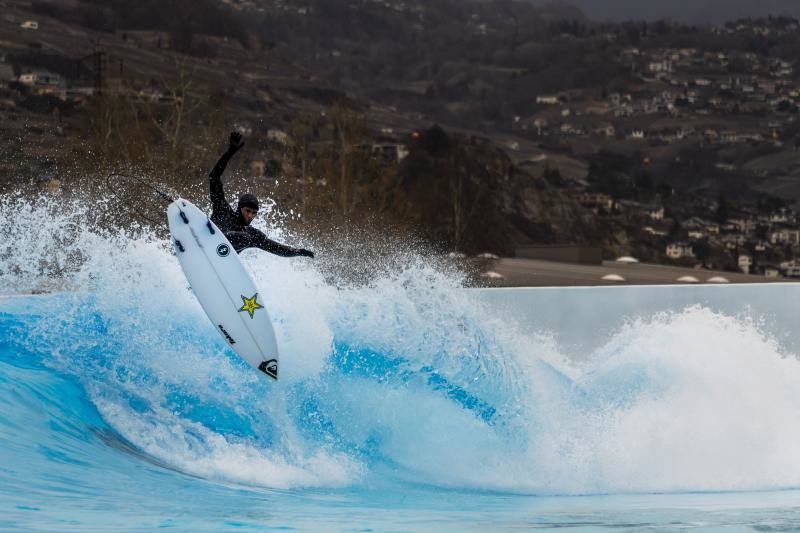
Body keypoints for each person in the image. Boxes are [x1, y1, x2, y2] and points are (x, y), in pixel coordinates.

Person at [208, 132, 314, 258]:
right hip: (208, 244)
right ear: (240, 208)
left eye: (253, 213)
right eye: (247, 211)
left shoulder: (252, 235)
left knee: (247, 237)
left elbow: (277, 248)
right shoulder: (222, 210)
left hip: (219, 260)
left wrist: (298, 251)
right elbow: (214, 177)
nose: (250, 215)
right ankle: (217, 242)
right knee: (245, 238)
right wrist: (230, 152)